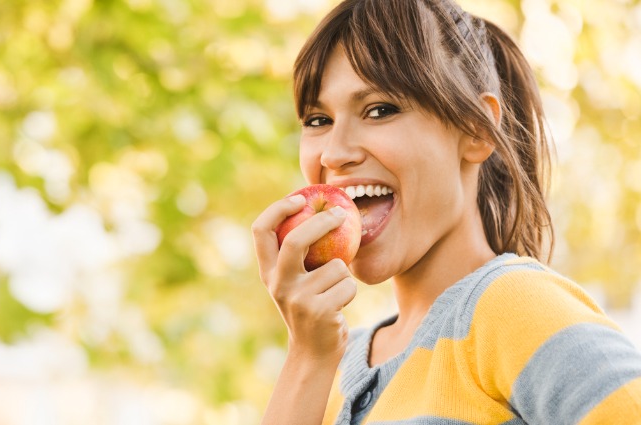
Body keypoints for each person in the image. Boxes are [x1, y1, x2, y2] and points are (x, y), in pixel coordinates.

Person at [250, 0, 641, 424]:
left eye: (380, 109)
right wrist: (307, 356)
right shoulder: (335, 366)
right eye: (317, 119)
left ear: (476, 130)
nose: (335, 152)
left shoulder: (514, 307)